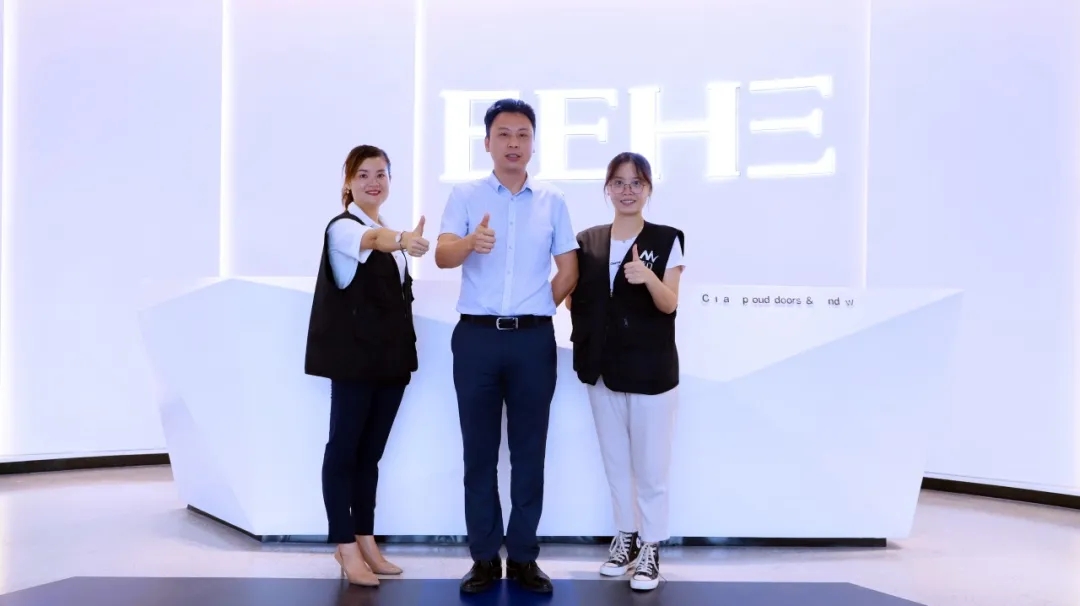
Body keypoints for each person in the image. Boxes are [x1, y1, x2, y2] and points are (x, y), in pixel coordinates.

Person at [434, 99, 579, 594]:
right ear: (487, 142)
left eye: (522, 134)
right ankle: (482, 558)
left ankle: (522, 557)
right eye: (504, 134)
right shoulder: (466, 195)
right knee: (478, 453)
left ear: (533, 143)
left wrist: (536, 307)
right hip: (475, 338)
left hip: (533, 342)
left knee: (529, 453)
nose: (513, 143)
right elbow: (442, 254)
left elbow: (569, 269)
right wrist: (469, 243)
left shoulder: (553, 201)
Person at [304, 144, 430, 587]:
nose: (373, 182)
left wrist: (400, 241)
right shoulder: (344, 229)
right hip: (355, 362)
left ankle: (365, 539)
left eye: (381, 174)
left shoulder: (385, 231)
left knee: (369, 456)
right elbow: (374, 242)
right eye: (363, 175)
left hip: (391, 362)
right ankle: (344, 544)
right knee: (343, 451)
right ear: (348, 183)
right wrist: (403, 239)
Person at [565, 152, 684, 592]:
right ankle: (626, 538)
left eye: (636, 182)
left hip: (652, 371)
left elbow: (669, 303)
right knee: (616, 464)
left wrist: (648, 277)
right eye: (619, 182)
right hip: (601, 369)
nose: (627, 190)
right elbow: (575, 297)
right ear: (607, 189)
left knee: (651, 468)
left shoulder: (667, 238)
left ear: (648, 189)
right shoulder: (588, 241)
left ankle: (651, 546)